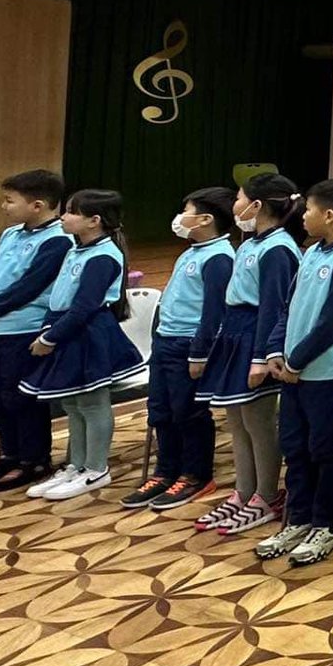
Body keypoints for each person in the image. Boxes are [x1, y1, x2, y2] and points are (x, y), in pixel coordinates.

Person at [255, 178, 333, 566]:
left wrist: (296, 360)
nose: (302, 216)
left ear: (329, 215)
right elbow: (288, 308)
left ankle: (328, 521)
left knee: (324, 448)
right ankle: (299, 518)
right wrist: (275, 349)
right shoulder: (311, 253)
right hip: (293, 371)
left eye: (307, 210)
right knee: (294, 445)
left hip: (325, 372)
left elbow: (332, 321)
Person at [19, 189, 144, 501]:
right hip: (68, 331)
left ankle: (96, 468)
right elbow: (59, 299)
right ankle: (75, 464)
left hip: (89, 334)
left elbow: (84, 306)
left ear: (94, 221)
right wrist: (48, 327)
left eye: (71, 212)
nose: (63, 217)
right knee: (72, 403)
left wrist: (50, 338)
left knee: (92, 401)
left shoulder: (103, 256)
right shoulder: (77, 250)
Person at [193, 175, 300, 537]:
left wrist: (261, 355)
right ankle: (244, 491)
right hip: (234, 333)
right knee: (236, 421)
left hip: (256, 336)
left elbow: (273, 306)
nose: (234, 204)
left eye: (239, 197)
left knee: (258, 423)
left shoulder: (279, 248)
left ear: (258, 205)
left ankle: (267, 495)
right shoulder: (252, 243)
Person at [122, 187, 236, 512]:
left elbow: (215, 313)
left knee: (189, 413)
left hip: (189, 347)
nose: (179, 218)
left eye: (185, 210)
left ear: (205, 219)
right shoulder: (191, 251)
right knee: (161, 410)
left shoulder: (219, 258)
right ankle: (165, 470)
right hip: (165, 343)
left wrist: (200, 353)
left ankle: (196, 474)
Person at [0, 168, 71, 493]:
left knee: (20, 396)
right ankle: (10, 454)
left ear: (37, 205)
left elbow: (28, 289)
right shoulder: (9, 234)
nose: (4, 206)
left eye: (10, 200)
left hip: (22, 331)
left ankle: (34, 459)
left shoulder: (58, 240)